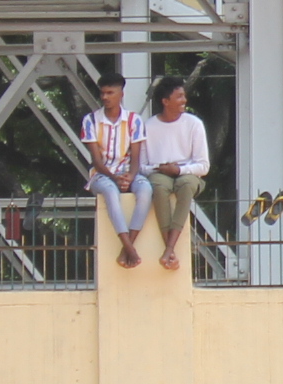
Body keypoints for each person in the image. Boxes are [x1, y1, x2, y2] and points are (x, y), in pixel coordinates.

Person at [139, 77, 210, 271]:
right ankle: (170, 249)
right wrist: (161, 168)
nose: (184, 100)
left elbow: (203, 166)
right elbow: (142, 167)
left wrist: (178, 170)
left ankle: (169, 249)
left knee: (186, 185)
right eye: (179, 96)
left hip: (187, 174)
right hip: (159, 173)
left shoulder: (194, 124)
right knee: (159, 188)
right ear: (165, 101)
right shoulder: (149, 126)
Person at [81, 75, 151, 269]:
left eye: (110, 92)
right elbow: (96, 160)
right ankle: (130, 248)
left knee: (146, 191)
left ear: (121, 94)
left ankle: (126, 248)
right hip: (102, 174)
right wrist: (115, 177)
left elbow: (136, 157)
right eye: (102, 93)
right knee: (111, 193)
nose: (105, 97)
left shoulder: (133, 120)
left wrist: (130, 176)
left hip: (128, 171)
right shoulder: (91, 120)